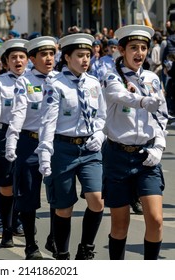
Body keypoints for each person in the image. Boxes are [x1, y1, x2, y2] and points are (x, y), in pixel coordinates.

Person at [36, 33, 106, 260]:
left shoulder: (94, 83)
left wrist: (99, 133)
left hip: (89, 149)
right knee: (63, 207)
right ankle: (62, 254)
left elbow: (101, 116)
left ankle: (86, 247)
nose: (85, 60)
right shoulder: (55, 84)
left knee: (97, 200)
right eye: (79, 55)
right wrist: (45, 153)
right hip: (62, 148)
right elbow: (48, 121)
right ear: (66, 57)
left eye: (88, 55)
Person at [102, 24, 168, 260]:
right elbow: (118, 95)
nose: (139, 53)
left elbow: (161, 116)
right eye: (133, 48)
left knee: (156, 220)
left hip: (146, 155)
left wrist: (159, 147)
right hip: (118, 155)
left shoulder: (152, 78)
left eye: (143, 48)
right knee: (120, 224)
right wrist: (142, 101)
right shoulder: (111, 76)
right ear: (121, 50)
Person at [5, 36, 58, 259]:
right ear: (32, 58)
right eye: (43, 55)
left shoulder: (60, 80)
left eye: (51, 54)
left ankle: (54, 237)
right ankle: (30, 245)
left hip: (56, 142)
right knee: (28, 194)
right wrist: (12, 139)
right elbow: (17, 114)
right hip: (30, 141)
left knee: (58, 192)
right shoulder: (24, 82)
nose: (48, 59)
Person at [0, 38, 29, 247]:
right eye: (13, 58)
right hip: (3, 134)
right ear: (6, 62)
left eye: (21, 57)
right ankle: (1, 224)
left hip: (27, 136)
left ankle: (18, 221)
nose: (18, 61)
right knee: (3, 182)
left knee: (25, 182)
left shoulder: (34, 81)